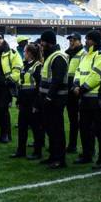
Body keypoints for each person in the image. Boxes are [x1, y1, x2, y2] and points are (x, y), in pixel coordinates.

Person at [73, 30, 101, 169]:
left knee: (99, 130)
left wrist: (81, 88)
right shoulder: (86, 55)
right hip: (84, 97)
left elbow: (96, 75)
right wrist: (76, 84)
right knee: (84, 128)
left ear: (94, 41)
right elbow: (78, 71)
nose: (85, 42)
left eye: (88, 39)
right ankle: (87, 154)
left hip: (96, 98)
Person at [38, 30, 70, 169]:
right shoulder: (51, 56)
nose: (41, 44)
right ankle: (52, 155)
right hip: (49, 98)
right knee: (50, 129)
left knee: (57, 130)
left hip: (56, 99)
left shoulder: (58, 57)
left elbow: (57, 79)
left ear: (48, 42)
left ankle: (59, 159)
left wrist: (50, 96)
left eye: (43, 42)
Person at [10, 42, 45, 160]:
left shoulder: (38, 66)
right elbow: (21, 85)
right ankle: (21, 151)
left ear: (29, 53)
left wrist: (36, 104)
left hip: (33, 101)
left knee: (36, 128)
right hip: (24, 101)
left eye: (25, 51)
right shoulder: (25, 66)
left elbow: (39, 87)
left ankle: (37, 152)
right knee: (22, 127)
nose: (23, 53)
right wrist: (19, 101)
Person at [0, 32, 23, 144]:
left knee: (3, 110)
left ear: (3, 40)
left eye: (0, 38)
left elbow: (18, 68)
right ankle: (3, 134)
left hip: (5, 86)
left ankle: (6, 135)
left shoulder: (11, 52)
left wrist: (9, 80)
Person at [65, 32, 85, 154]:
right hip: (69, 90)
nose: (71, 42)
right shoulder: (67, 54)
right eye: (70, 40)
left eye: (73, 40)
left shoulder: (83, 54)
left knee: (82, 121)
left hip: (79, 90)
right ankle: (72, 145)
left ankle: (86, 148)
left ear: (79, 41)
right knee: (73, 120)